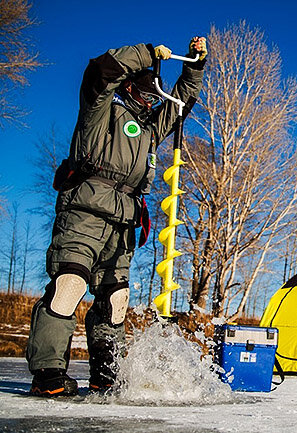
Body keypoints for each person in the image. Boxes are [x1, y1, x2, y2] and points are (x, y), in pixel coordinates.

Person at [26, 36, 208, 397]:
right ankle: (48, 373)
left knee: (115, 300)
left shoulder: (149, 129)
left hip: (124, 220)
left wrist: (194, 66)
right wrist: (146, 52)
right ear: (130, 86)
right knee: (69, 286)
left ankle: (105, 375)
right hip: (84, 211)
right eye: (147, 91)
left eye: (156, 96)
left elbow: (181, 104)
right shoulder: (100, 108)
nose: (152, 99)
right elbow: (99, 71)